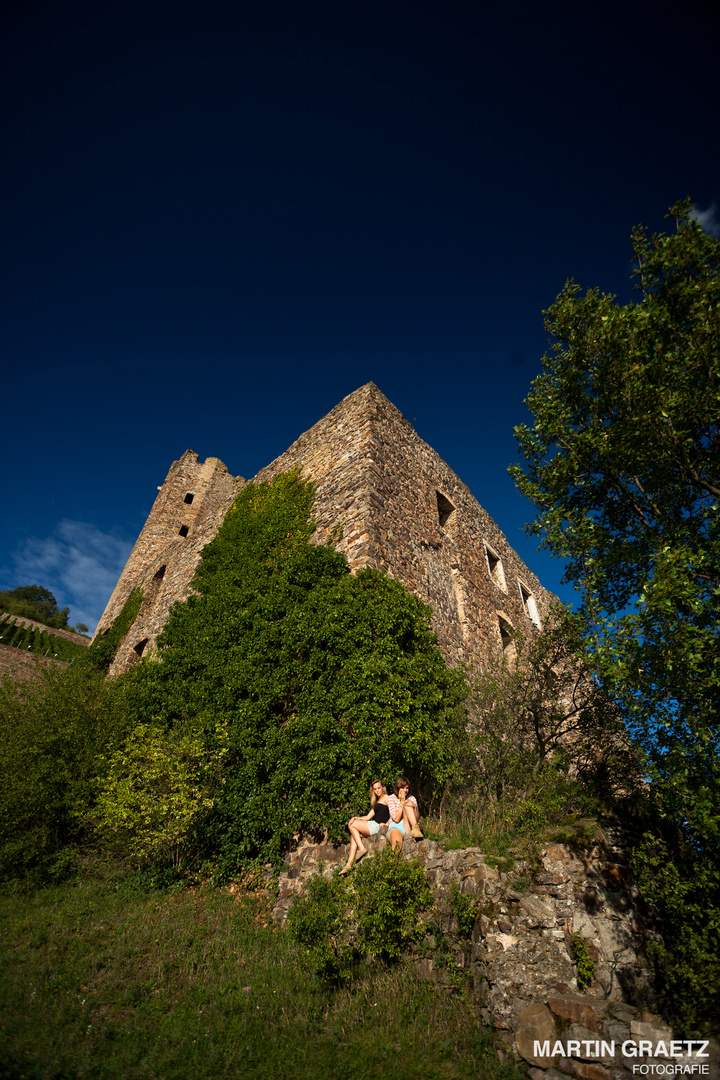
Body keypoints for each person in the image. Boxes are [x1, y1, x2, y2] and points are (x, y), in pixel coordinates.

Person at [340, 780, 390, 874]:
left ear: (383, 788)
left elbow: (393, 813)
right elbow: (367, 817)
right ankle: (349, 864)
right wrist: (355, 818)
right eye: (375, 789)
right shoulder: (377, 802)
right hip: (373, 824)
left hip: (377, 826)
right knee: (354, 833)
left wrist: (386, 824)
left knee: (353, 825)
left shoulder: (387, 797)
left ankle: (362, 849)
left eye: (379, 788)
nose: (377, 791)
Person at [387, 776, 423, 850]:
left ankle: (415, 829)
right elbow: (396, 819)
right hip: (397, 826)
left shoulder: (412, 798)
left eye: (407, 788)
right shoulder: (391, 798)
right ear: (398, 788)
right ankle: (394, 860)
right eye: (403, 788)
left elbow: (417, 818)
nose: (405, 790)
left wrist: (414, 807)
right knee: (396, 845)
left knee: (408, 805)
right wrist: (402, 802)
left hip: (409, 826)